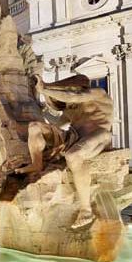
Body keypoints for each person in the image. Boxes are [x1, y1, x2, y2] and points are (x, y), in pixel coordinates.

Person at [15, 75, 113, 228]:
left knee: (73, 155)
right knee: (35, 126)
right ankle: (36, 163)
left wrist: (45, 89)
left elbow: (74, 96)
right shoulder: (70, 109)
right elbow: (57, 125)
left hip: (99, 135)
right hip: (74, 136)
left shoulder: (98, 93)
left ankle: (86, 209)